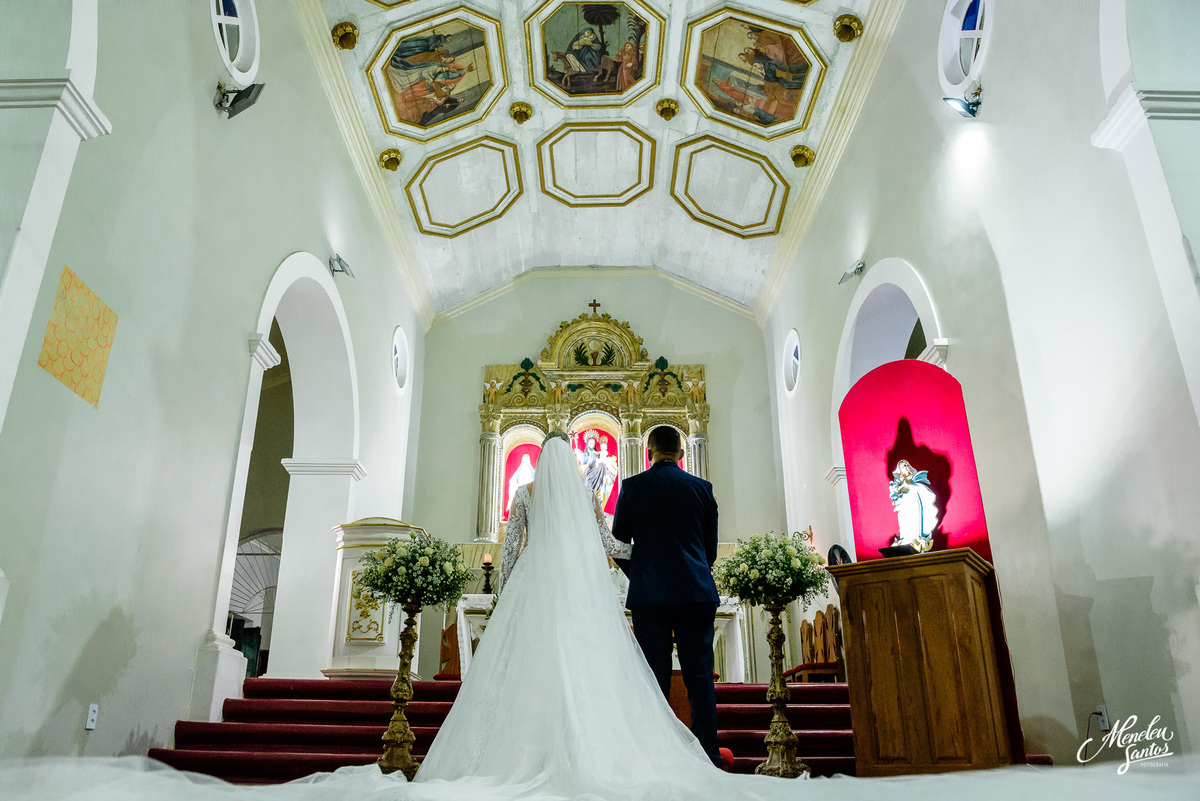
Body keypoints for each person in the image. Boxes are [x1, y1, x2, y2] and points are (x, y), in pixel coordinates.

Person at [611, 425, 722, 768]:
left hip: (650, 596)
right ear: (682, 454)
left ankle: (656, 754)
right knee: (699, 676)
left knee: (653, 677)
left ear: (649, 452)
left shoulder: (633, 487)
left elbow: (618, 541)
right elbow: (710, 551)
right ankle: (707, 753)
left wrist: (640, 572)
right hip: (695, 592)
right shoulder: (702, 490)